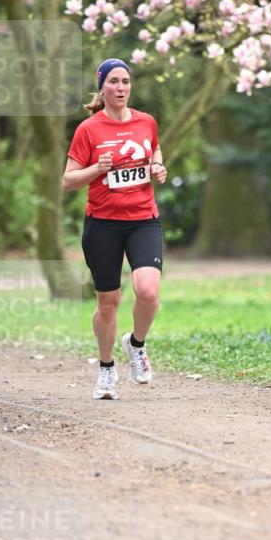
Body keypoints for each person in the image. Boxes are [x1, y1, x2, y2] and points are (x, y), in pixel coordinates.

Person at [63, 58, 167, 400]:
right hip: (103, 224)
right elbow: (68, 181)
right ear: (102, 88)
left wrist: (158, 165)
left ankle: (136, 344)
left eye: (125, 81)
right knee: (108, 302)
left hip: (143, 220)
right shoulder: (89, 130)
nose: (121, 88)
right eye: (114, 82)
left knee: (148, 290)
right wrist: (96, 168)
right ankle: (106, 369)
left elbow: (154, 150)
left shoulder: (146, 122)